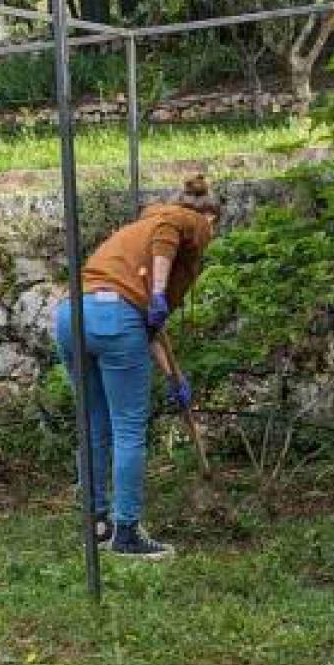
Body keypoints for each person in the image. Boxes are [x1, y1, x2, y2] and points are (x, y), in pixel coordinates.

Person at [53, 175, 221, 560]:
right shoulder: (184, 219)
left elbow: (147, 328)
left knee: (94, 424)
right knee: (128, 428)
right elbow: (169, 234)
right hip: (114, 318)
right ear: (210, 217)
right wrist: (159, 292)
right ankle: (126, 532)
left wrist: (174, 378)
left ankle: (97, 523)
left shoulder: (136, 231)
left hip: (72, 316)